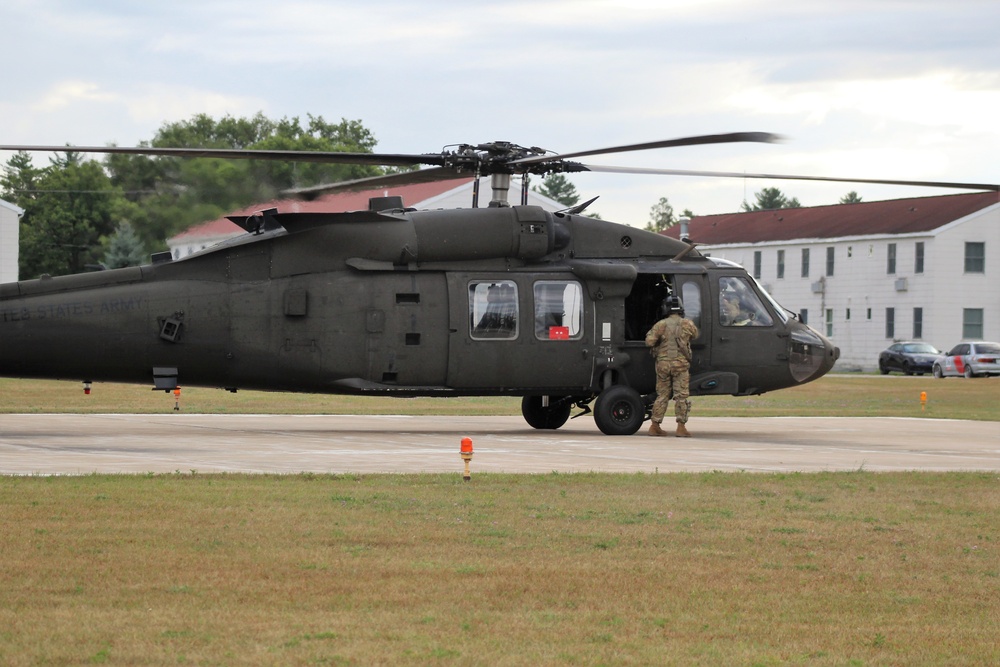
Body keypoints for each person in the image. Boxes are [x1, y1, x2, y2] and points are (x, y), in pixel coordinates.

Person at [644, 295, 699, 437]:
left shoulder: (660, 325)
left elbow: (649, 341)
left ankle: (655, 425)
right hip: (680, 365)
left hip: (663, 365)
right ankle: (681, 427)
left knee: (662, 395)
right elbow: (695, 335)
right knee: (681, 396)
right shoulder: (687, 324)